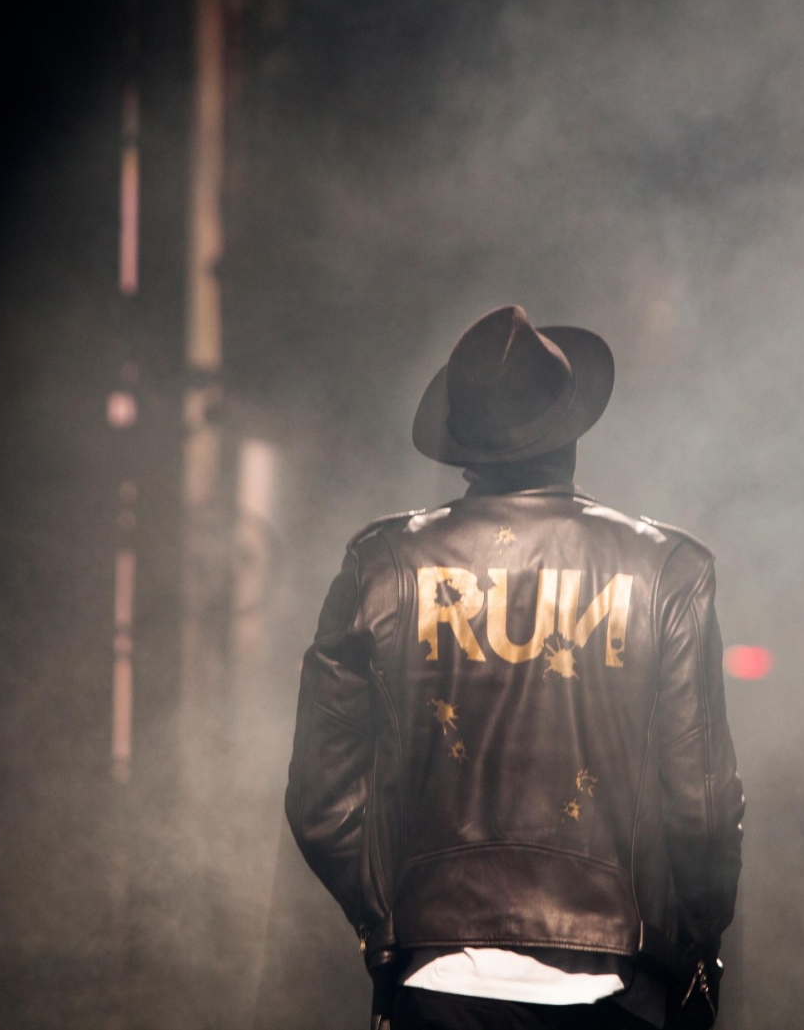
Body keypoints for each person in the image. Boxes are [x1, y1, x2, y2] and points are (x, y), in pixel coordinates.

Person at [286, 305, 744, 1029]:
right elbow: (702, 803)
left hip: (439, 986)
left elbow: (322, 802)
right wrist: (698, 941)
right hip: (614, 987)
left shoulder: (383, 564)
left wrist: (397, 911)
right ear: (570, 428)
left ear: (465, 446)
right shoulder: (668, 568)